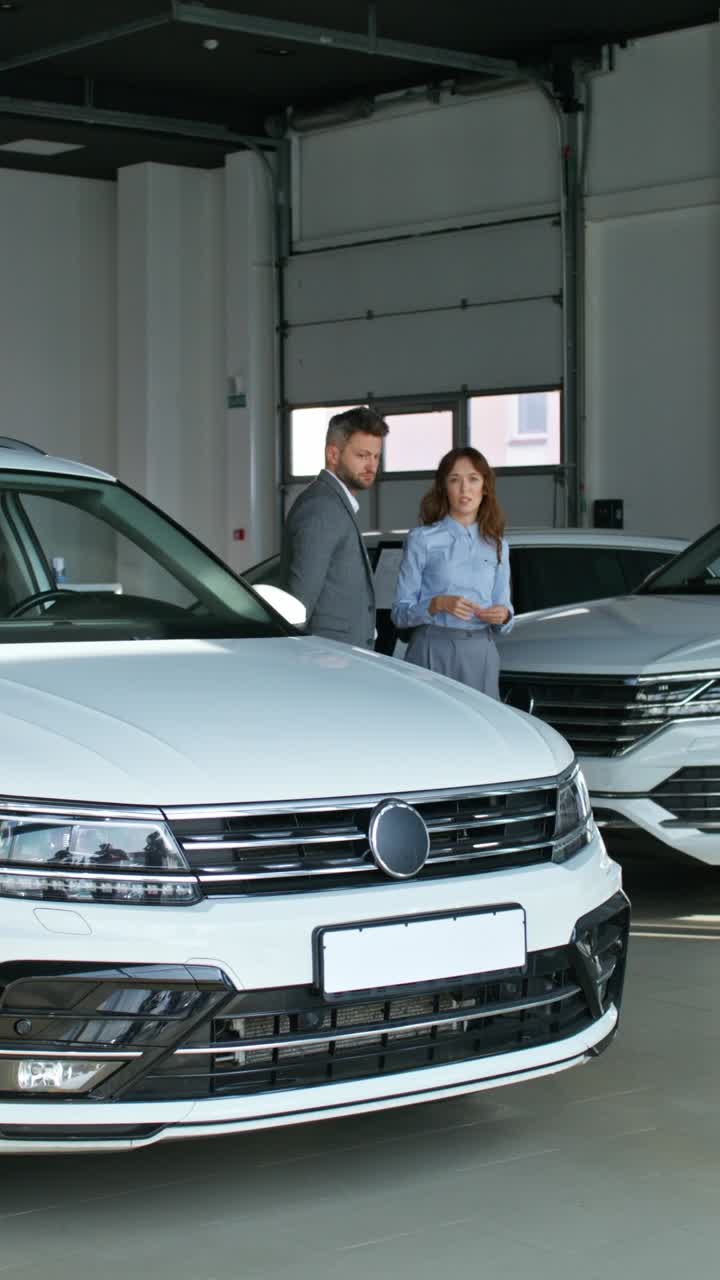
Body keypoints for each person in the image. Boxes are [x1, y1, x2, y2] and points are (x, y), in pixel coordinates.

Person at [391, 447, 513, 697]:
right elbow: (400, 614)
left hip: (481, 651)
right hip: (431, 648)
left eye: (473, 479)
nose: (464, 489)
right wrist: (437, 604)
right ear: (443, 487)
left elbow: (506, 610)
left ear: (485, 487)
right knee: (430, 728)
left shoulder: (498, 545)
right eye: (454, 480)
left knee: (482, 731)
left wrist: (504, 616)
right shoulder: (421, 539)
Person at [281, 406, 389, 648]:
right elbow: (299, 604)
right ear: (333, 454)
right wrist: (310, 657)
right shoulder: (322, 508)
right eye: (362, 456)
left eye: (376, 456)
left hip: (341, 657)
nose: (372, 466)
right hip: (329, 660)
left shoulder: (334, 503)